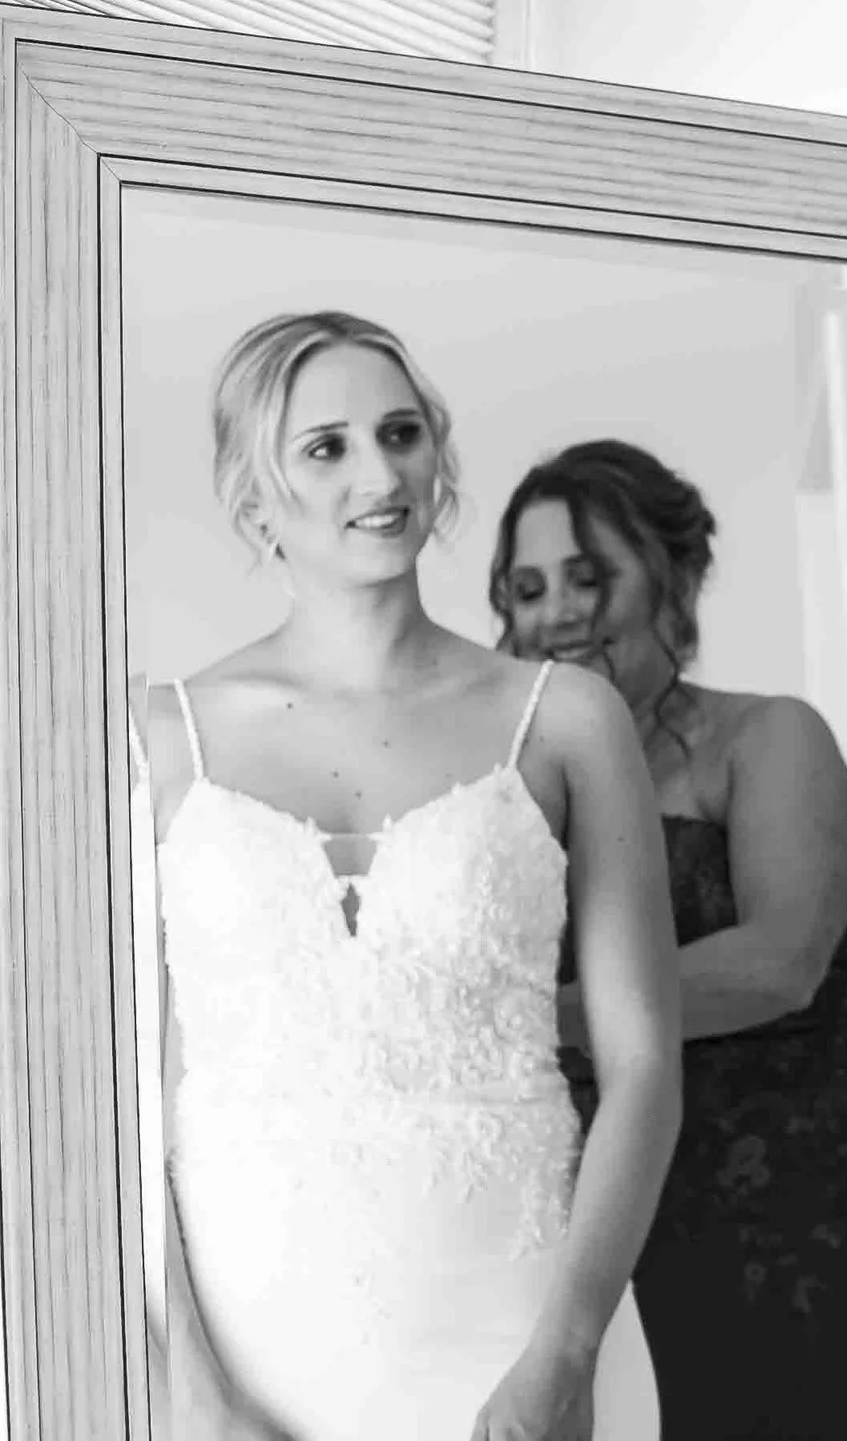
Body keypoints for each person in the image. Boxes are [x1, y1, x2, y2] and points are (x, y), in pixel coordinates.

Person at [144, 311, 678, 1441]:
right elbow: (126, 1093)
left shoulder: (565, 717)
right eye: (325, 446)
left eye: (400, 432)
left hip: (518, 1324)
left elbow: (641, 1067)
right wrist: (186, 1378)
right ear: (253, 496)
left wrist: (566, 1352)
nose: (380, 471)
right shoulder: (160, 737)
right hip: (247, 1342)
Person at [492, 438, 847, 1439]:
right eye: (527, 587)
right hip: (639, 1216)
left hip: (822, 1194)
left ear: (676, 575)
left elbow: (777, 962)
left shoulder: (771, 738)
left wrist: (524, 1019)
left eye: (589, 574)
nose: (556, 611)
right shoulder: (512, 796)